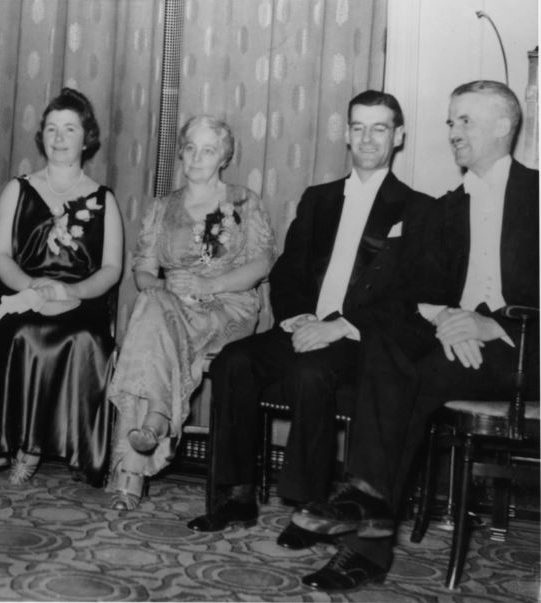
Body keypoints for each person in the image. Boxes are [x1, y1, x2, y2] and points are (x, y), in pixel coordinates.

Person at [290, 80, 539, 592]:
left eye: (465, 120)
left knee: (396, 378)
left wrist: (492, 324)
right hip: (454, 344)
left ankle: (364, 522)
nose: (452, 132)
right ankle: (369, 522)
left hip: (524, 351)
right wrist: (450, 316)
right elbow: (418, 288)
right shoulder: (445, 208)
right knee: (385, 337)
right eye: (450, 121)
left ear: (504, 126)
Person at [186, 91, 433, 547]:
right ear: (346, 134)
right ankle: (235, 495)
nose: (367, 138)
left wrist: (339, 326)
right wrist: (298, 316)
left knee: (311, 371)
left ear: (398, 136)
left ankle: (306, 506)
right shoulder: (319, 198)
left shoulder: (418, 208)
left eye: (379, 128)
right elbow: (288, 271)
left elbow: (408, 298)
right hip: (304, 324)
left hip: (360, 338)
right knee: (233, 363)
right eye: (358, 126)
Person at [105, 115, 275, 510]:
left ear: (224, 157)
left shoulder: (243, 200)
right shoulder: (163, 207)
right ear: (181, 153)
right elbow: (144, 270)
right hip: (172, 303)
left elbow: (262, 264)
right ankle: (156, 418)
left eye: (208, 150)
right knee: (152, 306)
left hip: (227, 304)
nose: (197, 158)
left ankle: (133, 468)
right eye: (191, 148)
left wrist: (208, 286)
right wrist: (163, 287)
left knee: (151, 321)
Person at [0, 88, 123, 489]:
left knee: (82, 339)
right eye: (52, 128)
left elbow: (112, 269)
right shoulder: (18, 189)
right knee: (20, 333)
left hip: (79, 297)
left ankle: (30, 448)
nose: (60, 137)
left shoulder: (104, 199)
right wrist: (34, 288)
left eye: (70, 129)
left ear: (88, 138)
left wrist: (68, 292)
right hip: (22, 290)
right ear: (42, 136)